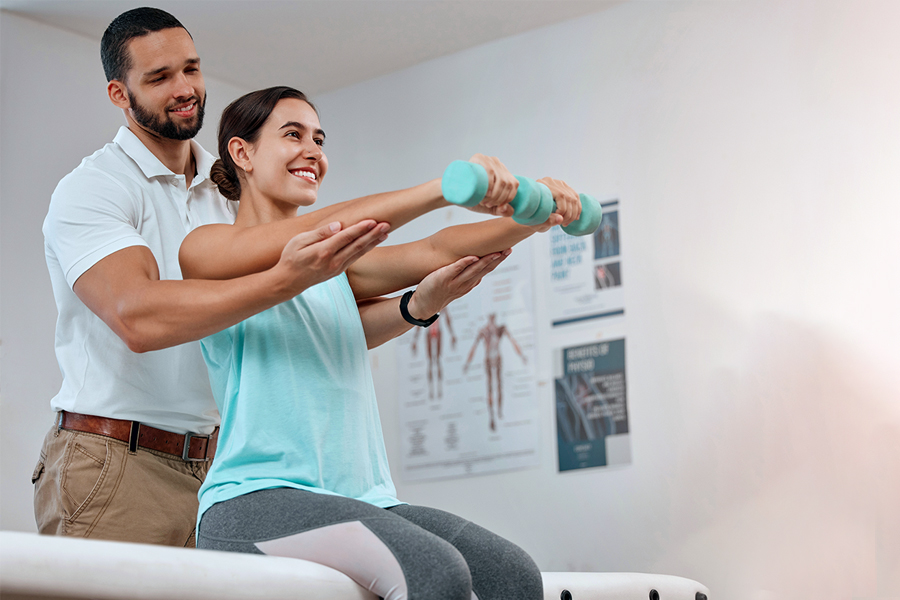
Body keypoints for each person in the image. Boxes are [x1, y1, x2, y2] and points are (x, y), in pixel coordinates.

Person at [180, 87, 583, 600]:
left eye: (319, 139)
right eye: (292, 135)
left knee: (513, 576)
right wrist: (448, 187)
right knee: (433, 572)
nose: (313, 151)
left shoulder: (332, 270)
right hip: (254, 500)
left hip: (362, 498)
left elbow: (436, 249)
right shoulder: (206, 249)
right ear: (242, 154)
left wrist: (535, 217)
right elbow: (333, 227)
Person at [34, 7, 391, 547]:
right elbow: (139, 318)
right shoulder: (95, 189)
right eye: (159, 78)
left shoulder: (231, 197)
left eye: (192, 69)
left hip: (221, 466)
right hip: (116, 460)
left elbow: (314, 317)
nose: (184, 89)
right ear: (118, 94)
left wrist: (418, 303)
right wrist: (286, 279)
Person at [463, 313, 528, 431]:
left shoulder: (500, 329)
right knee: (490, 388)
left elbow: (513, 341)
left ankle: (499, 413)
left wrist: (521, 355)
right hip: (489, 358)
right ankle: (493, 417)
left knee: (498, 386)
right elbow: (474, 346)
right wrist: (467, 363)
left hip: (496, 358)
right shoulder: (484, 331)